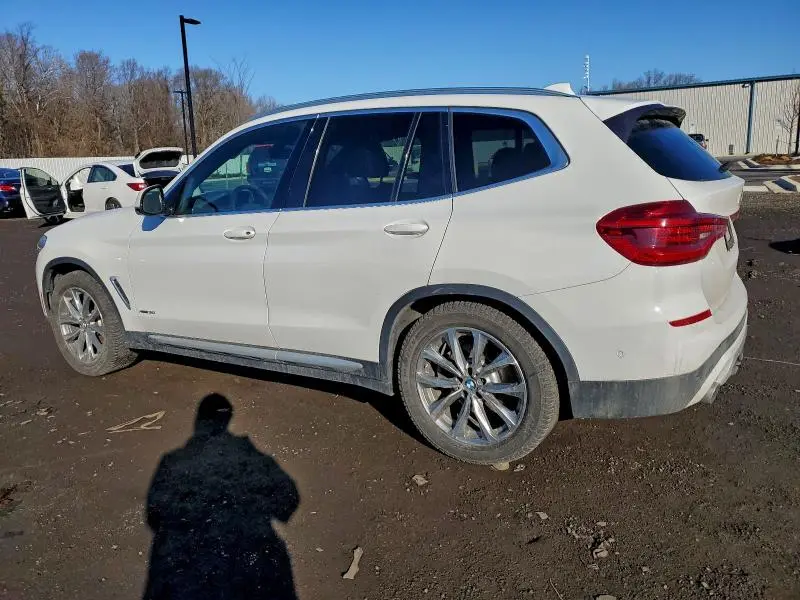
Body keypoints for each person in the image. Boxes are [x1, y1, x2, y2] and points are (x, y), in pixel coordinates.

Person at [143, 393, 299, 600]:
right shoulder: (254, 460)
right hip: (247, 573)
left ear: (200, 421)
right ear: (228, 419)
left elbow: (155, 515)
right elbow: (288, 501)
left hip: (190, 576)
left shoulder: (173, 462)